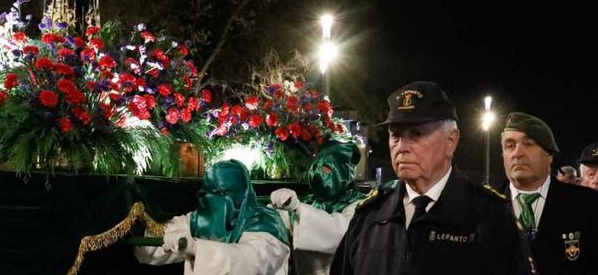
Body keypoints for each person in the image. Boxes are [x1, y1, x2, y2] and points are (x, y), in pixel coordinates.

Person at [331, 81, 532, 275]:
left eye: (417, 134)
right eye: (395, 135)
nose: (402, 147)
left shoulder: (491, 217)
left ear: (450, 141)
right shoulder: (369, 217)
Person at [134, 160, 290, 275]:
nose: (212, 198)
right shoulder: (201, 218)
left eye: (222, 193)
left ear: (242, 194)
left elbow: (253, 261)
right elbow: (152, 249)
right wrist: (137, 226)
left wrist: (196, 248)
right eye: (206, 192)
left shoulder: (266, 223)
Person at [502, 113, 598, 273]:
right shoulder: (484, 207)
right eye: (509, 145)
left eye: (528, 144)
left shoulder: (587, 205)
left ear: (549, 154)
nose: (517, 153)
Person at [269, 139, 364, 275]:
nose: (318, 171)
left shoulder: (359, 204)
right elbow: (284, 228)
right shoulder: (309, 202)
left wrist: (297, 208)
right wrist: (272, 212)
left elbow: (341, 232)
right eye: (316, 165)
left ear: (342, 172)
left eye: (327, 167)